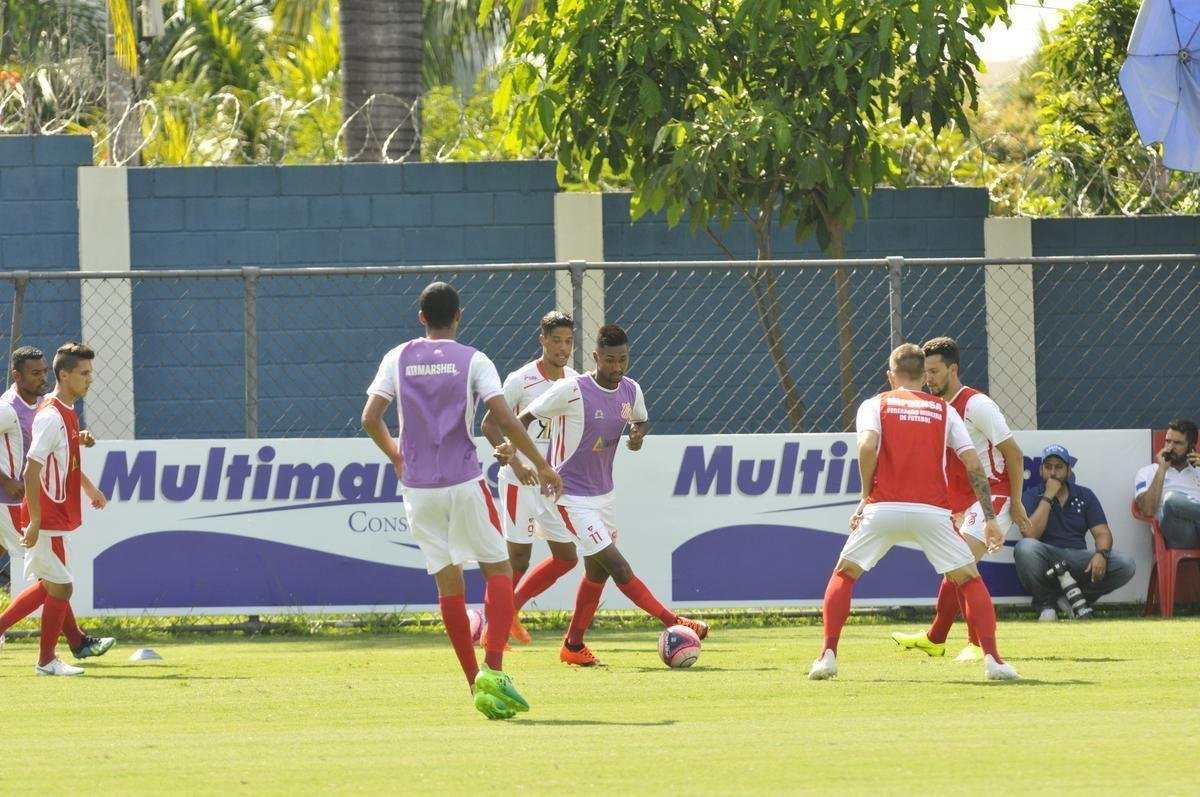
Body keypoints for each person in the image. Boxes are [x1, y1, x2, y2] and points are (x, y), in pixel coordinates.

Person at [361, 281, 562, 720]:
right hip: (464, 481)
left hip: (418, 489)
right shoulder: (474, 359)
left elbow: (370, 417)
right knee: (499, 571)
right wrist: (541, 464)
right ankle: (495, 669)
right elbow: (504, 418)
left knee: (448, 585)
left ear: (421, 318)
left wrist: (397, 456)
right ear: (458, 316)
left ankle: (475, 683)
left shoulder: (397, 357)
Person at [808, 343, 1019, 682]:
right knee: (969, 579)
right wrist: (990, 519)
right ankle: (993, 660)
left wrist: (865, 495)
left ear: (890, 376)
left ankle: (827, 656)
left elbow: (867, 446)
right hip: (932, 512)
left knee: (845, 573)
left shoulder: (874, 404)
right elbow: (971, 461)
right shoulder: (944, 410)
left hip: (884, 507)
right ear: (923, 376)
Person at [517, 323, 708, 667]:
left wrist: (637, 434)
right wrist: (529, 461)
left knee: (598, 572)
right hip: (569, 495)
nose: (617, 367)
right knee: (618, 566)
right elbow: (523, 418)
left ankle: (573, 645)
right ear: (596, 357)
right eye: (609, 360)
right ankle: (674, 622)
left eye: (622, 359)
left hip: (604, 496)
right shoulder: (572, 389)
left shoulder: (631, 390)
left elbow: (641, 420)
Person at [891, 336, 1030, 662]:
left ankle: (963, 643)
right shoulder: (936, 408)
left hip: (994, 494)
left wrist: (1017, 502)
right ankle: (943, 639)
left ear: (953, 369)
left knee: (960, 564)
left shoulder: (977, 405)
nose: (928, 379)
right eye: (925, 372)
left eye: (935, 371)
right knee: (958, 570)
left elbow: (1013, 453)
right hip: (963, 502)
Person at [0, 345, 114, 662]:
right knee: (54, 581)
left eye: (43, 371)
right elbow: (34, 465)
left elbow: (55, 454)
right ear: (16, 376)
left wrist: (77, 441)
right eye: (35, 373)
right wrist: (6, 480)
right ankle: (69, 646)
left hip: (25, 501)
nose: (43, 378)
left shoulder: (44, 406)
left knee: (54, 578)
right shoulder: (9, 409)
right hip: (13, 502)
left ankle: (74, 642)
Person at [480, 310, 580, 645]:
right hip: (518, 480)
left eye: (568, 341)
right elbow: (489, 425)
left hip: (552, 485)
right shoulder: (520, 380)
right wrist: (513, 461)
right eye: (556, 340)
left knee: (566, 557)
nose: (562, 348)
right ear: (542, 341)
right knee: (517, 559)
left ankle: (510, 610)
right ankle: (491, 630)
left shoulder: (574, 381)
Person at [1017, 444, 1136, 620]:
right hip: (1047, 559)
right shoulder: (1031, 495)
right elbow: (1030, 535)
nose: (1053, 473)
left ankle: (1075, 600)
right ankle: (1046, 607)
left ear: (1069, 470)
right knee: (1024, 547)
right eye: (1048, 467)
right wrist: (1048, 496)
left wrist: (1102, 554)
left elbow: (1102, 533)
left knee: (1126, 564)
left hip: (1077, 559)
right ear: (1041, 470)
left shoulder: (1085, 495)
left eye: (1059, 467)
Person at [1133, 419, 1200, 549]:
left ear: (1191, 447)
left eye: (1177, 443)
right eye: (1168, 441)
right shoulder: (1148, 472)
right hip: (1178, 535)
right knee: (1171, 499)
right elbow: (1147, 510)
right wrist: (1162, 469)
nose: (1170, 448)